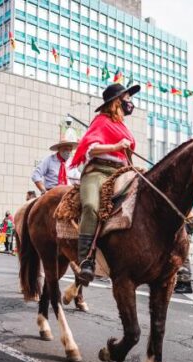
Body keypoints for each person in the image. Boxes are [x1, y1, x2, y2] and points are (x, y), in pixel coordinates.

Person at [69, 83, 140, 283]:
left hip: (122, 171)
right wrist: (117, 145)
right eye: (127, 98)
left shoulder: (122, 125)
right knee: (91, 206)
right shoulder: (100, 121)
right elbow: (91, 149)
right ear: (117, 101)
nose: (130, 103)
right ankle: (85, 261)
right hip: (98, 171)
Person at [31, 129, 81, 194]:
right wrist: (43, 190)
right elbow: (36, 175)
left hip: (68, 193)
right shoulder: (48, 160)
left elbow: (78, 178)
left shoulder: (72, 162)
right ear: (59, 149)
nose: (68, 152)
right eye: (66, 149)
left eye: (70, 150)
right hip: (51, 193)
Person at [174, 209, 193, 294]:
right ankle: (181, 283)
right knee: (180, 256)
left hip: (186, 223)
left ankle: (186, 284)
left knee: (183, 256)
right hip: (185, 223)